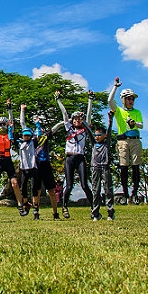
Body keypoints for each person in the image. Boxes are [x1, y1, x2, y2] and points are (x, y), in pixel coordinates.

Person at [0, 97, 27, 218]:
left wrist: (9, 109)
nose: (2, 125)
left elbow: (11, 122)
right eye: (0, 124)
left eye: (4, 124)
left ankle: (20, 206)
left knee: (14, 183)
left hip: (8, 160)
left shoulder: (9, 134)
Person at [56, 90, 94, 219]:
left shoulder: (85, 128)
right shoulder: (68, 127)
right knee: (69, 185)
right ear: (72, 120)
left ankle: (94, 207)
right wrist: (58, 100)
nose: (77, 120)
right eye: (75, 119)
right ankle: (64, 207)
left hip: (80, 158)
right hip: (69, 158)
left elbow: (89, 115)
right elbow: (64, 113)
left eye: (79, 118)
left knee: (84, 185)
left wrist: (90, 99)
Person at [108, 77, 144, 205]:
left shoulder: (137, 112)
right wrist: (115, 87)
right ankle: (125, 193)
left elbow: (141, 125)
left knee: (135, 166)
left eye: (132, 98)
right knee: (123, 167)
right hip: (123, 141)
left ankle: (134, 193)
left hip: (135, 140)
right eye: (129, 98)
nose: (131, 101)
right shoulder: (119, 111)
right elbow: (110, 101)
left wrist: (135, 124)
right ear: (123, 100)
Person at [30, 112, 64, 221]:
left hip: (46, 165)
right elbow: (22, 124)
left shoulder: (45, 136)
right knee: (37, 191)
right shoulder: (32, 138)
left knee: (51, 191)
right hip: (36, 166)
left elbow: (54, 129)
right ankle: (36, 212)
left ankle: (55, 213)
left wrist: (64, 122)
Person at [12, 108, 39, 219]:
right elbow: (11, 137)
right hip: (24, 169)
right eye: (25, 135)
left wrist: (37, 124)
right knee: (23, 188)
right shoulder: (20, 144)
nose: (26, 137)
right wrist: (10, 128)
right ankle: (26, 203)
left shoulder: (33, 142)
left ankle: (36, 210)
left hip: (33, 168)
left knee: (34, 188)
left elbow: (38, 133)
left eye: (28, 135)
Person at [89, 107, 116, 221]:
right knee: (95, 191)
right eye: (96, 135)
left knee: (108, 190)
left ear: (104, 135)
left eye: (100, 134)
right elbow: (89, 132)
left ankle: (110, 212)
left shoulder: (106, 143)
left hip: (105, 167)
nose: (97, 136)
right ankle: (95, 214)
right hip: (95, 168)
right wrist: (84, 123)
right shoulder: (94, 144)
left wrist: (110, 119)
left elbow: (109, 130)